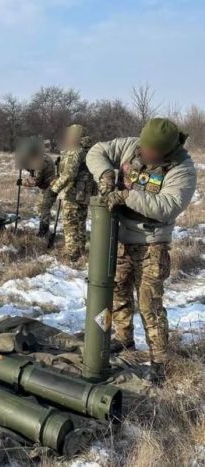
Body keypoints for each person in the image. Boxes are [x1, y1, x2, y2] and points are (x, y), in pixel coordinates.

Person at [86, 118, 197, 383]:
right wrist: (106, 175)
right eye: (143, 146)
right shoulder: (131, 146)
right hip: (121, 238)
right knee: (118, 290)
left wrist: (125, 196)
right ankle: (124, 340)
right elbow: (96, 151)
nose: (144, 152)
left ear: (166, 151)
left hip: (151, 243)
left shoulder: (183, 169)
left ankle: (159, 360)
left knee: (149, 302)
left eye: (151, 151)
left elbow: (167, 206)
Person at [47, 124, 95, 261]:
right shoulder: (89, 151)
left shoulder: (75, 150)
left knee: (70, 224)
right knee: (80, 223)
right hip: (83, 194)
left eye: (69, 135)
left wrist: (54, 189)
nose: (66, 138)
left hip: (72, 193)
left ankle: (72, 255)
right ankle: (80, 251)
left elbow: (69, 174)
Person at [21, 142, 57, 237]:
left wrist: (22, 182)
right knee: (40, 208)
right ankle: (44, 229)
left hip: (50, 187)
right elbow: (35, 170)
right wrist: (27, 167)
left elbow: (35, 181)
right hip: (46, 187)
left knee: (44, 208)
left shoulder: (40, 161)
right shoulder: (40, 158)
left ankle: (43, 232)